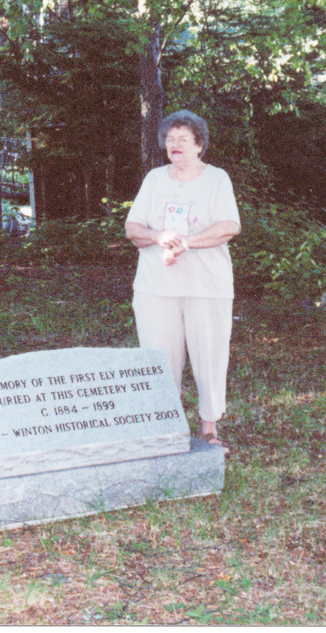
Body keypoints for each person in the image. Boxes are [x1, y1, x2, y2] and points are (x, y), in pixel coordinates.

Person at [124, 110, 241, 452]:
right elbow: (133, 229)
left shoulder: (217, 179)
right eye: (169, 139)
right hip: (156, 287)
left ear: (199, 145)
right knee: (159, 357)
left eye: (183, 139)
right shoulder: (154, 179)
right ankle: (165, 429)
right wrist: (158, 235)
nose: (174, 145)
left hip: (207, 287)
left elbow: (229, 227)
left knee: (209, 356)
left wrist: (187, 243)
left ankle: (209, 428)